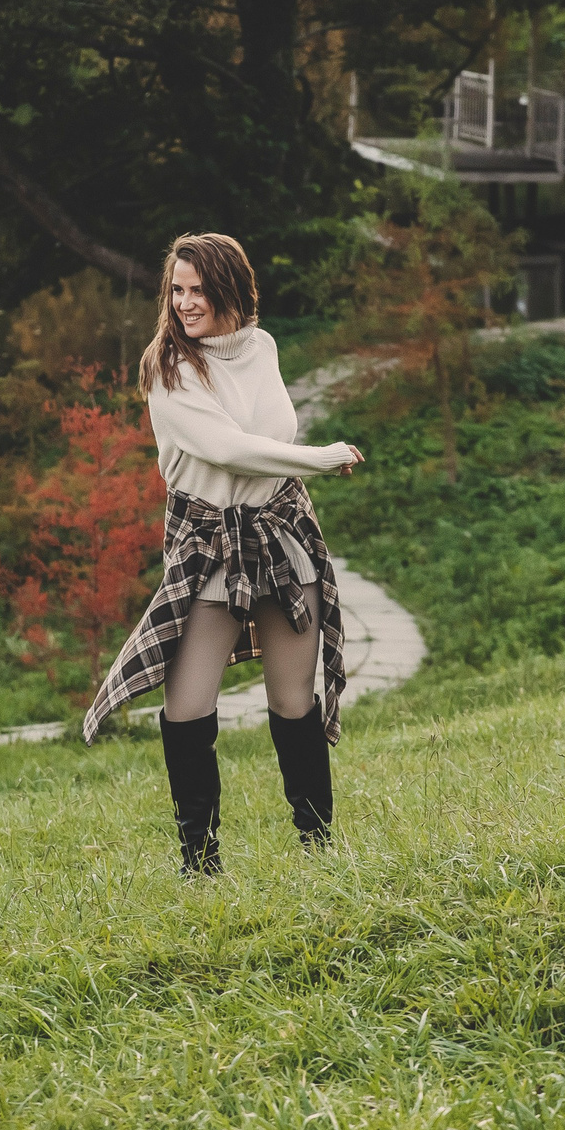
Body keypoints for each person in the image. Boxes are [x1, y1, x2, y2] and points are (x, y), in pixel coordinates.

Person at [83, 232, 366, 874]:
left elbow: (269, 432)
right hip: (208, 541)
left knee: (295, 698)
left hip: (280, 527)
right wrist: (317, 460)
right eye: (176, 290)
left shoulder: (260, 348)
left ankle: (318, 848)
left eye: (197, 289)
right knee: (186, 704)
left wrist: (292, 469)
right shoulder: (170, 368)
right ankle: (200, 864)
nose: (184, 303)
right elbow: (228, 447)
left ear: (230, 288)